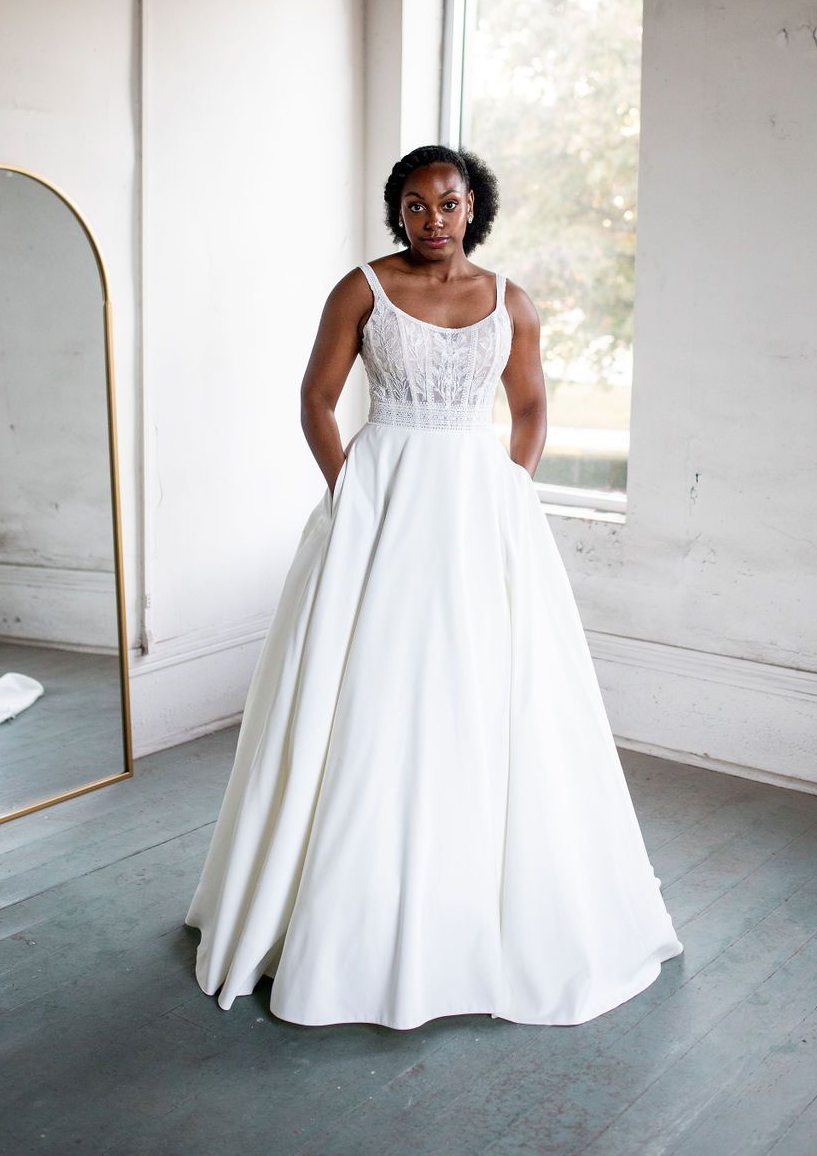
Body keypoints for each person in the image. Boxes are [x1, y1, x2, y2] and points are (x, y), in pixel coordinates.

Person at [184, 143, 683, 1029]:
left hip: (479, 520)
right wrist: (349, 491)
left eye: (447, 204)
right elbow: (315, 398)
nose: (431, 220)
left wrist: (509, 494)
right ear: (397, 212)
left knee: (489, 697)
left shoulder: (509, 302)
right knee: (368, 695)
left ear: (473, 208)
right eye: (413, 206)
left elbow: (530, 412)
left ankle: (475, 908)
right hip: (380, 508)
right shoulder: (361, 291)